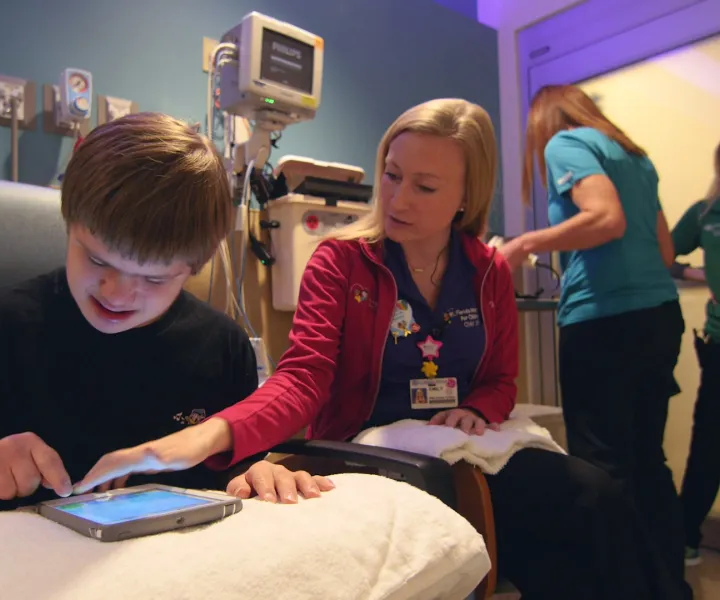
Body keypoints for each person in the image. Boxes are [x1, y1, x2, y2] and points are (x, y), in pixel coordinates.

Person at [78, 99, 683, 599]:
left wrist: (479, 410)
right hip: (367, 449)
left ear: (465, 198)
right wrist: (201, 438)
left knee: (595, 500)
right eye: (391, 175)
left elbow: (500, 381)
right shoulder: (342, 263)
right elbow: (302, 380)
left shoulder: (488, 270)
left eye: (424, 186)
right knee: (548, 514)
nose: (398, 200)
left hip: (462, 444)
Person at [0, 112, 332, 510]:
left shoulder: (222, 347)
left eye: (154, 280)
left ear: (193, 267)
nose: (117, 294)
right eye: (99, 261)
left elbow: (238, 463)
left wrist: (260, 474)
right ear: (70, 224)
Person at [498, 84, 689, 596]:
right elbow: (665, 250)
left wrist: (523, 244)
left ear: (543, 120)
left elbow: (606, 218)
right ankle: (669, 588)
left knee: (604, 467)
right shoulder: (634, 157)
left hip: (604, 321)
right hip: (658, 315)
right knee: (649, 460)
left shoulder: (564, 143)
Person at [670, 140, 720, 566]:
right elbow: (664, 255)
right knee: (709, 445)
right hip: (719, 345)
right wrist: (698, 272)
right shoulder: (707, 214)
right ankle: (686, 538)